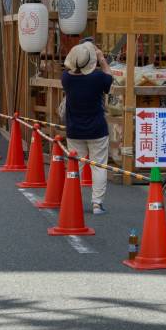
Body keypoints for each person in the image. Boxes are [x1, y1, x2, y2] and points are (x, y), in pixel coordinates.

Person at [62, 41, 114, 216]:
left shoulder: (66, 78)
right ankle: (97, 204)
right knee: (98, 166)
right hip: (97, 129)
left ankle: (70, 199)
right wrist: (101, 58)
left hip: (74, 129)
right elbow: (109, 78)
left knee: (75, 166)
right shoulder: (98, 78)